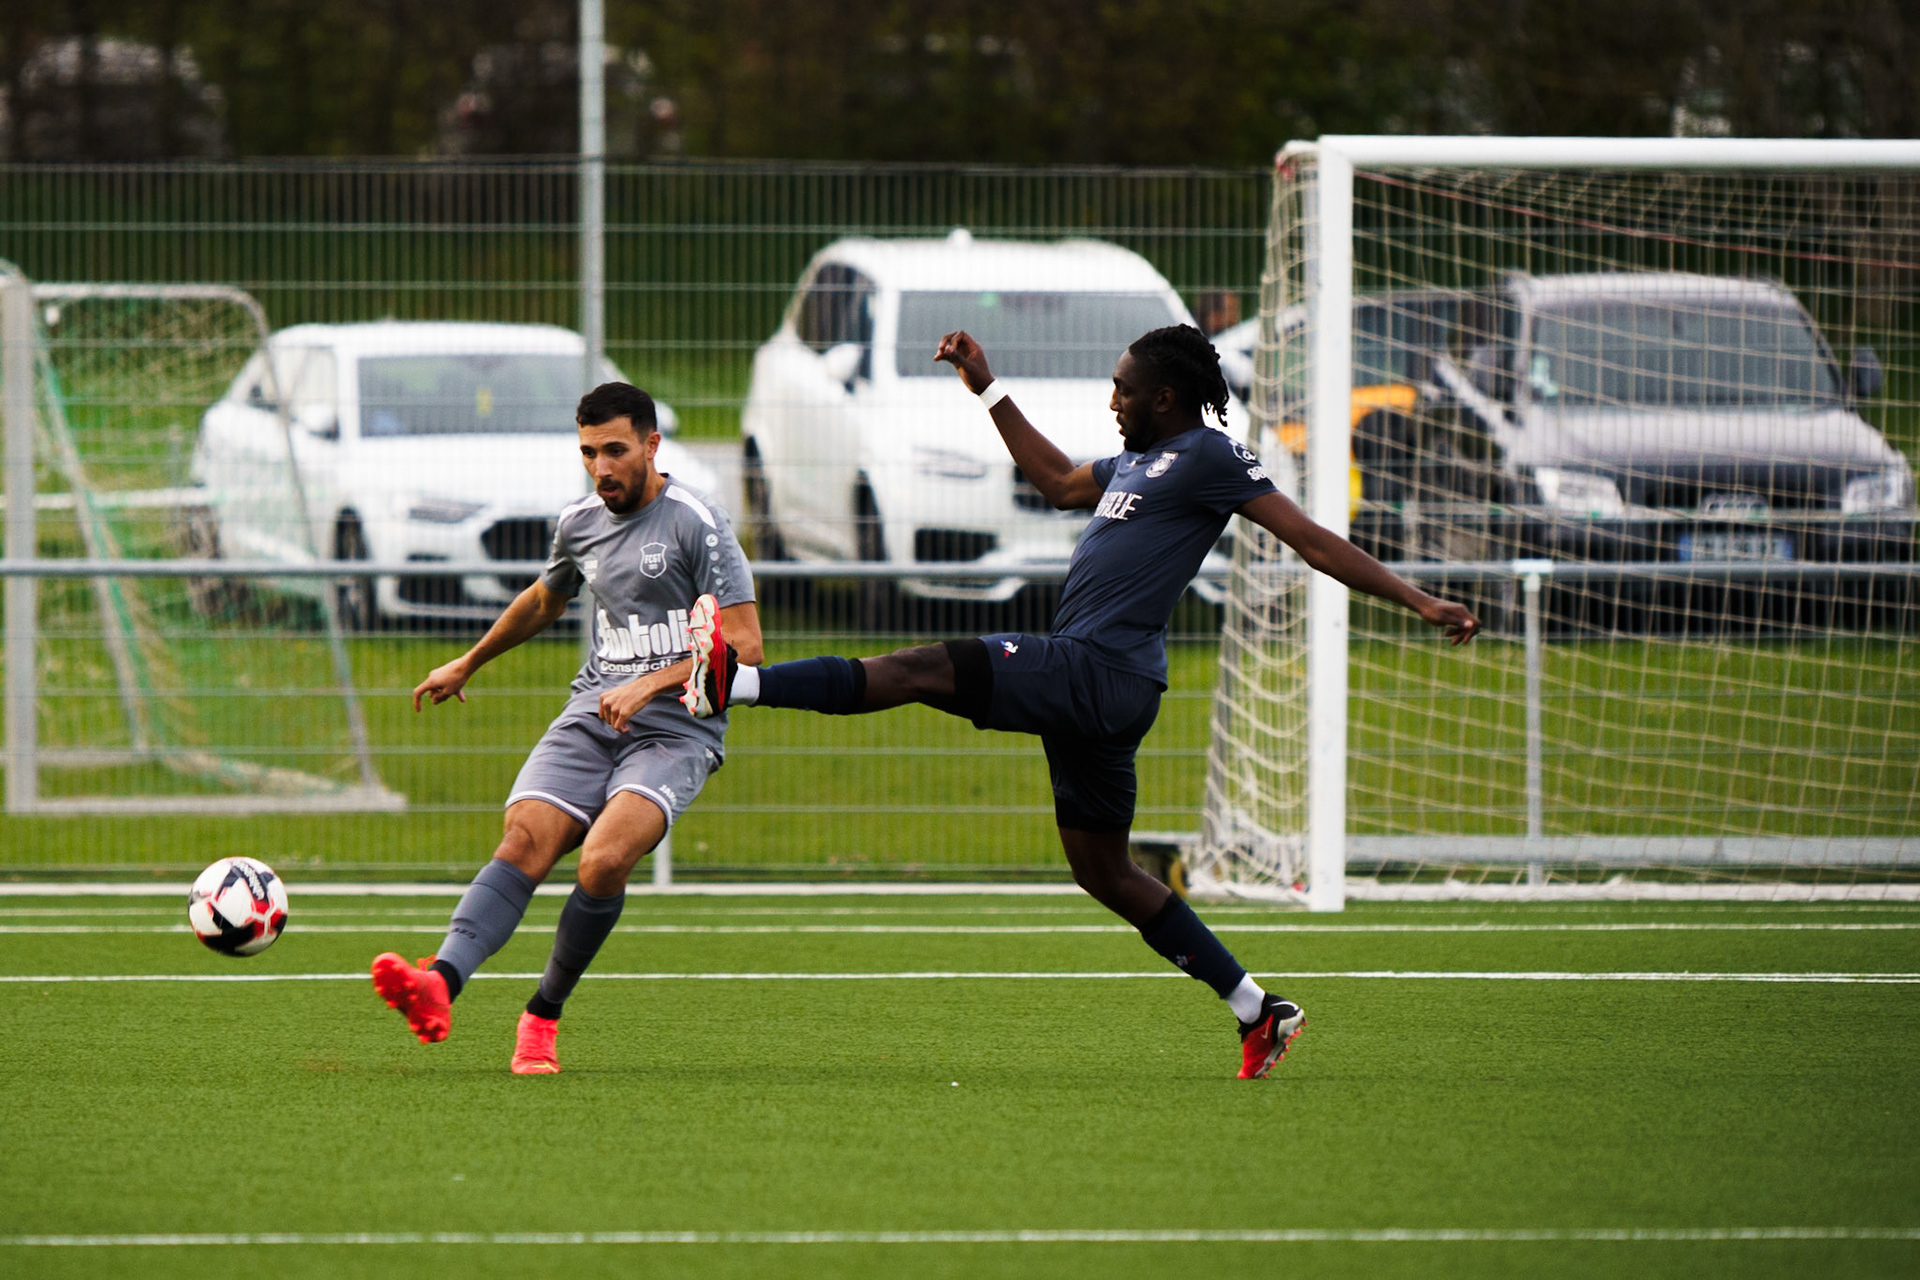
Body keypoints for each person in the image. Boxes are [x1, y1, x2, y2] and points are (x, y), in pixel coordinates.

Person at [679, 325, 1479, 1079]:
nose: (1112, 401)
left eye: (1122, 389)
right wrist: (987, 389)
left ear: (1165, 397)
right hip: (1102, 687)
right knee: (1103, 870)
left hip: (1099, 672)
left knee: (922, 667)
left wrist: (1420, 602)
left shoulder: (1207, 455)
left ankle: (736, 683)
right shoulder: (1136, 462)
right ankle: (1257, 1010)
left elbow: (1311, 540)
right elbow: (1059, 480)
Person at [370, 381, 761, 1074]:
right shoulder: (580, 521)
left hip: (677, 728)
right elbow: (545, 597)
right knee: (525, 837)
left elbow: (746, 644)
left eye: (616, 450)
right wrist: (469, 662)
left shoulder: (698, 522)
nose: (602, 467)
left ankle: (542, 1015)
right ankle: (439, 983)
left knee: (604, 859)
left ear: (651, 444)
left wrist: (652, 682)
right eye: (589, 453)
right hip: (595, 710)